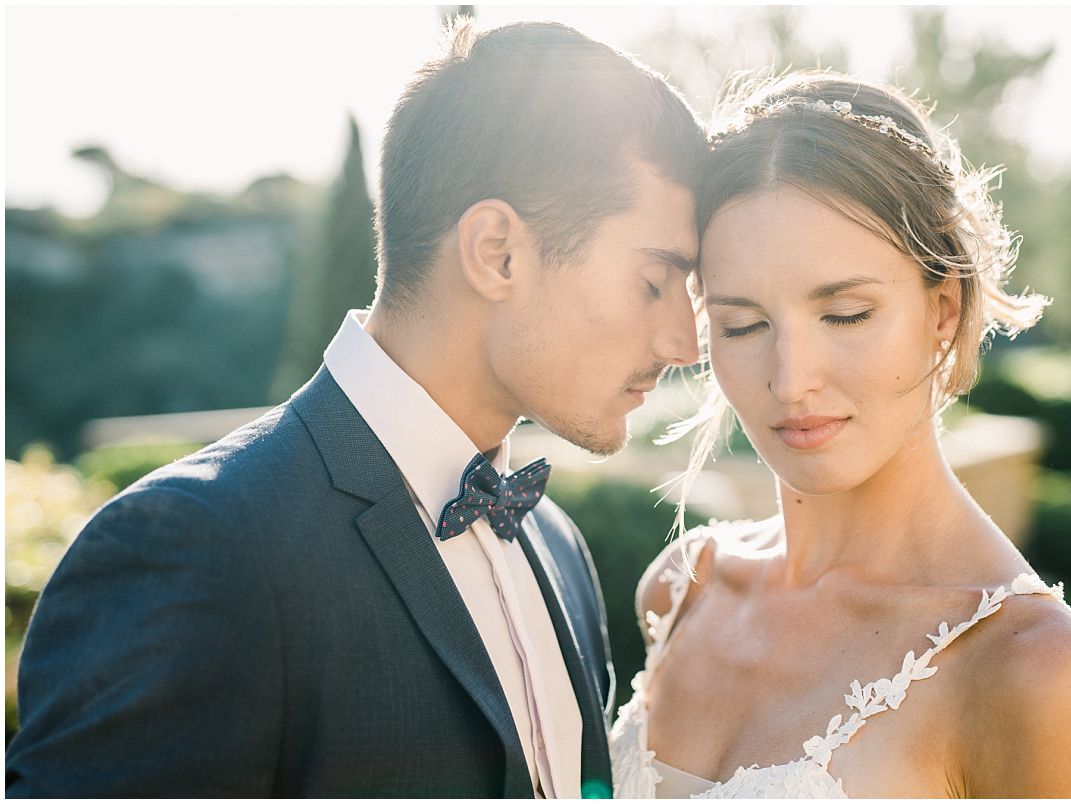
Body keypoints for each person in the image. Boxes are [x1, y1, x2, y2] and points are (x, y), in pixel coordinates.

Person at [7, 19, 706, 798]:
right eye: (654, 281)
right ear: (497, 252)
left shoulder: (557, 546)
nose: (686, 339)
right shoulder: (195, 549)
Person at [610, 72, 1071, 798]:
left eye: (846, 315)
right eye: (742, 325)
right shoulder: (683, 588)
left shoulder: (1032, 669)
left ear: (943, 312)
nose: (791, 380)